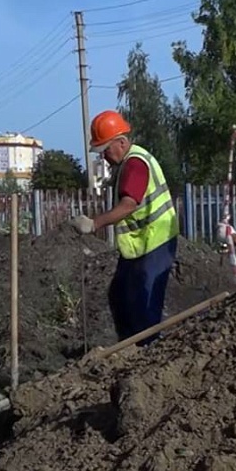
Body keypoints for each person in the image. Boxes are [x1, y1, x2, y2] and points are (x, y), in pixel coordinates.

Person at [68, 110, 179, 345]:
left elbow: (129, 204)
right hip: (141, 244)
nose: (104, 157)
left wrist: (94, 223)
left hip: (155, 243)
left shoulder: (135, 165)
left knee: (144, 304)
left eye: (106, 150)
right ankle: (130, 349)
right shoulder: (131, 163)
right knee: (119, 296)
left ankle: (147, 353)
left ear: (121, 142)